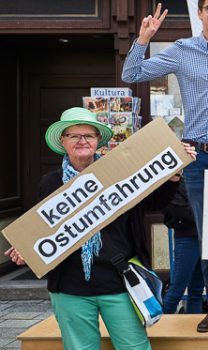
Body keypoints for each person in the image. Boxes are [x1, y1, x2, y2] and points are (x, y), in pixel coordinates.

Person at [121, 0, 208, 332]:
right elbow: (131, 74)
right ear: (200, 14)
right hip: (198, 158)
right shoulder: (182, 50)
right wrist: (143, 39)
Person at [4, 107, 195, 350]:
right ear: (63, 142)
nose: (82, 141)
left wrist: (174, 173)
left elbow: (154, 203)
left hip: (118, 282)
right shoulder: (49, 183)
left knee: (134, 347)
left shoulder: (120, 172)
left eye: (89, 136)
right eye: (74, 136)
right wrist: (27, 250)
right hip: (69, 287)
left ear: (98, 141)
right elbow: (42, 228)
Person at [161, 179, 204, 314]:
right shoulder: (173, 182)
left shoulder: (202, 178)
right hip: (187, 238)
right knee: (176, 290)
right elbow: (179, 210)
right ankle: (161, 328)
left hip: (204, 238)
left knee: (197, 290)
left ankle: (193, 328)